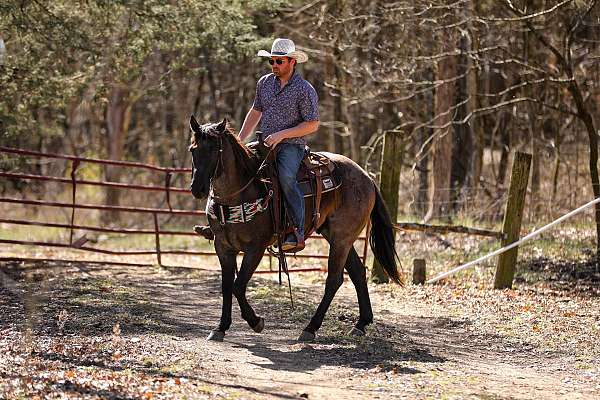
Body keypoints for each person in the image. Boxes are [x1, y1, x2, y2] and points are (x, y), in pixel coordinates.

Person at [238, 38, 320, 251]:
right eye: (271, 61)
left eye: (279, 61)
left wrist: (282, 135)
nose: (274, 65)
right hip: (264, 141)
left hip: (291, 145)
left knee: (286, 177)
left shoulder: (304, 89)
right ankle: (227, 223)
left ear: (292, 62)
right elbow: (256, 111)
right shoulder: (264, 83)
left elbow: (312, 124)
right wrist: (240, 139)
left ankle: (296, 231)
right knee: (235, 167)